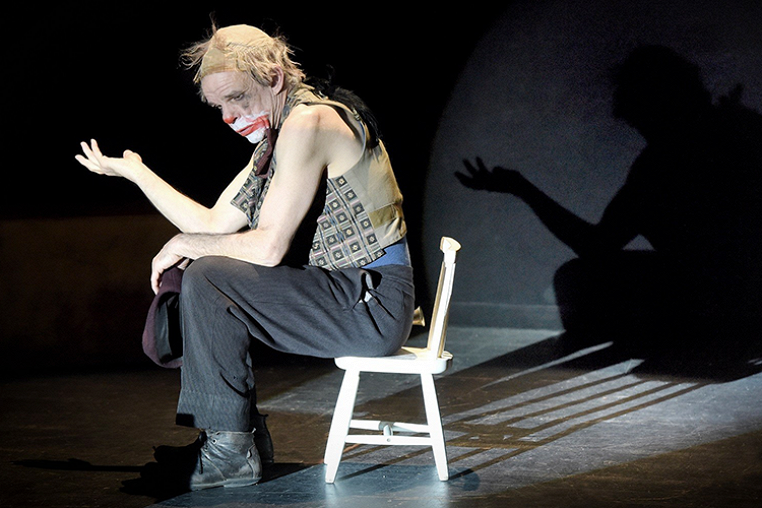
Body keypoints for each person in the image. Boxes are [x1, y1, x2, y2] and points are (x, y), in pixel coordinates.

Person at [75, 23, 415, 490]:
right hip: (350, 295)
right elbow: (214, 224)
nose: (229, 117)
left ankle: (231, 449)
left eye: (237, 98)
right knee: (206, 271)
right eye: (219, 107)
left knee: (208, 274)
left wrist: (182, 245)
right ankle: (236, 439)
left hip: (372, 306)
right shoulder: (280, 135)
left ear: (273, 77)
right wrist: (138, 174)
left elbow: (267, 247)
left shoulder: (309, 123)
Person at [457, 45, 762, 360]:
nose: (643, 133)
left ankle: (691, 336)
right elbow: (599, 244)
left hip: (719, 300)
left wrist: (523, 189)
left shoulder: (662, 165)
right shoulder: (727, 133)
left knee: (578, 281)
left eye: (643, 121)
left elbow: (596, 244)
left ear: (659, 107)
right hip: (731, 295)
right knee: (578, 279)